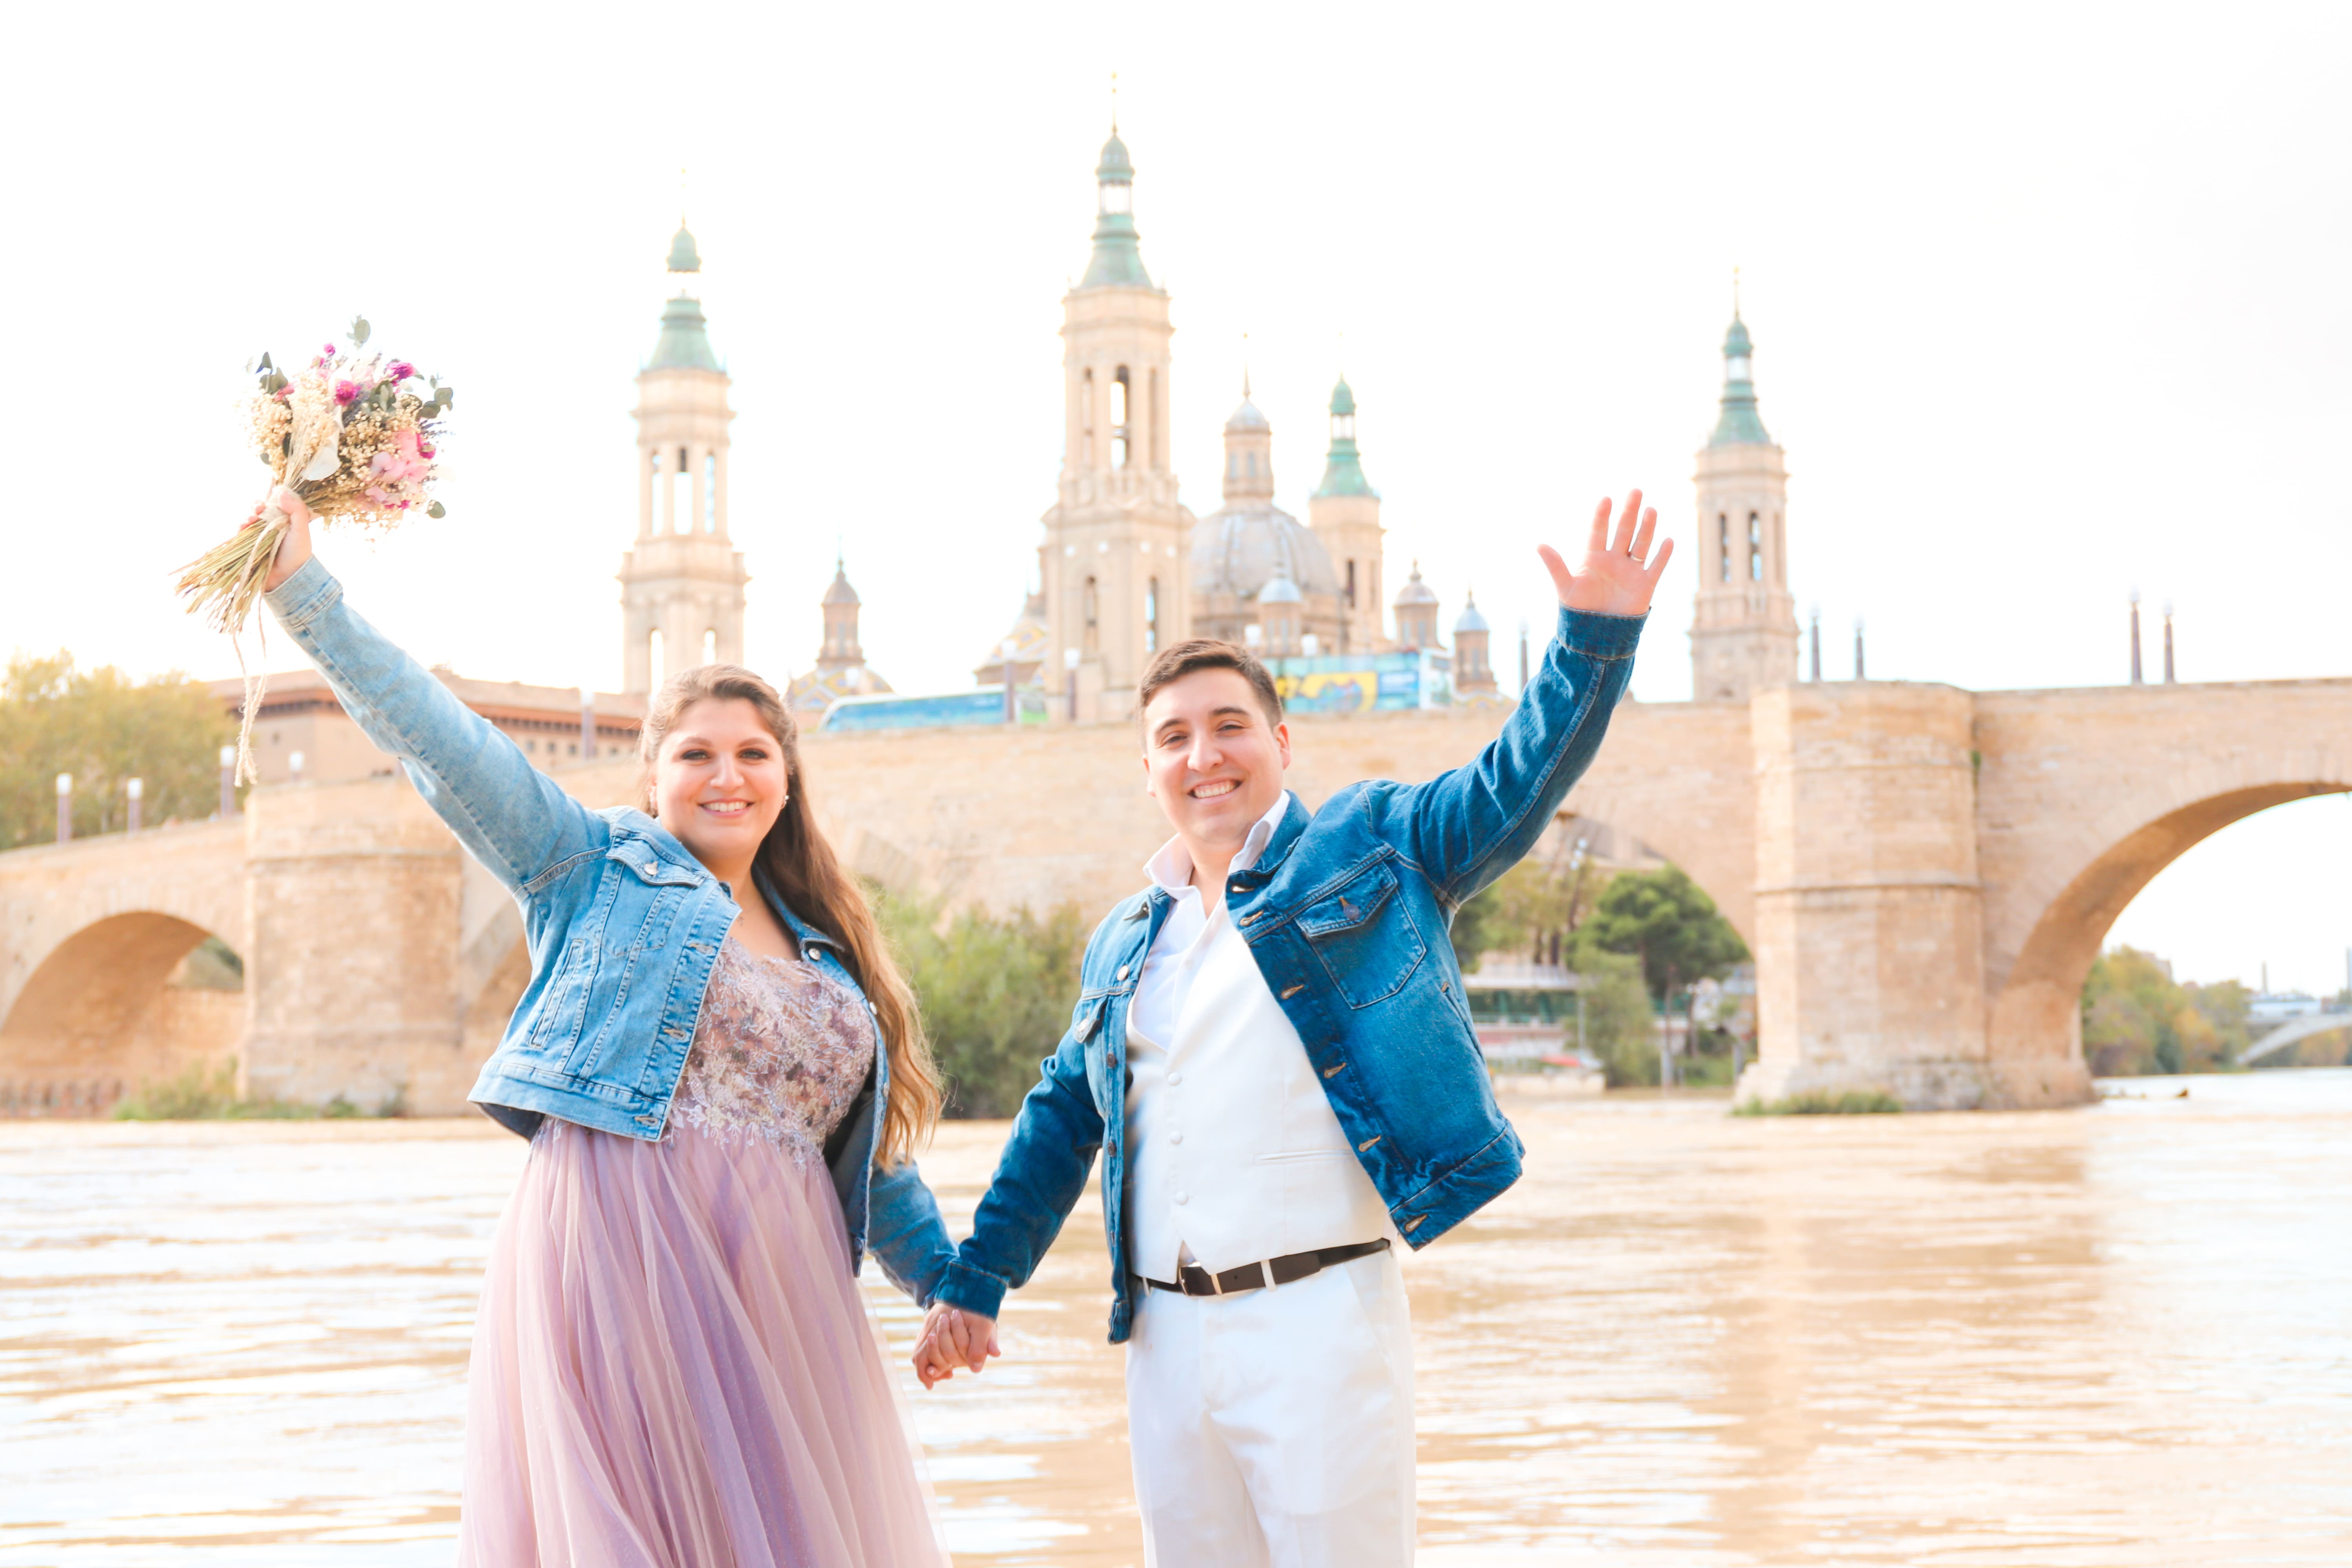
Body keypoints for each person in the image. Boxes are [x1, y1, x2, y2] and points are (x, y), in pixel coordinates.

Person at [913, 493, 1673, 1566]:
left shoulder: (1369, 849)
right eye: (1174, 737)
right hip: (1166, 1342)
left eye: (1229, 727)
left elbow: (1510, 790)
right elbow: (1058, 1120)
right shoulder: (1125, 941)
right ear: (1148, 770)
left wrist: (1592, 643)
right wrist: (976, 1283)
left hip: (1319, 1321)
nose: (1204, 756)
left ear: (1279, 740)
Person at [250, 486, 956, 1568]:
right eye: (696, 755)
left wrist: (950, 1285)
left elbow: (860, 1151)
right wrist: (307, 594)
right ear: (651, 774)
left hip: (786, 1276)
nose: (726, 775)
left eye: (753, 755)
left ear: (787, 777)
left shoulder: (830, 947)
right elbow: (442, 739)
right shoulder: (587, 867)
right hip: (632, 1242)